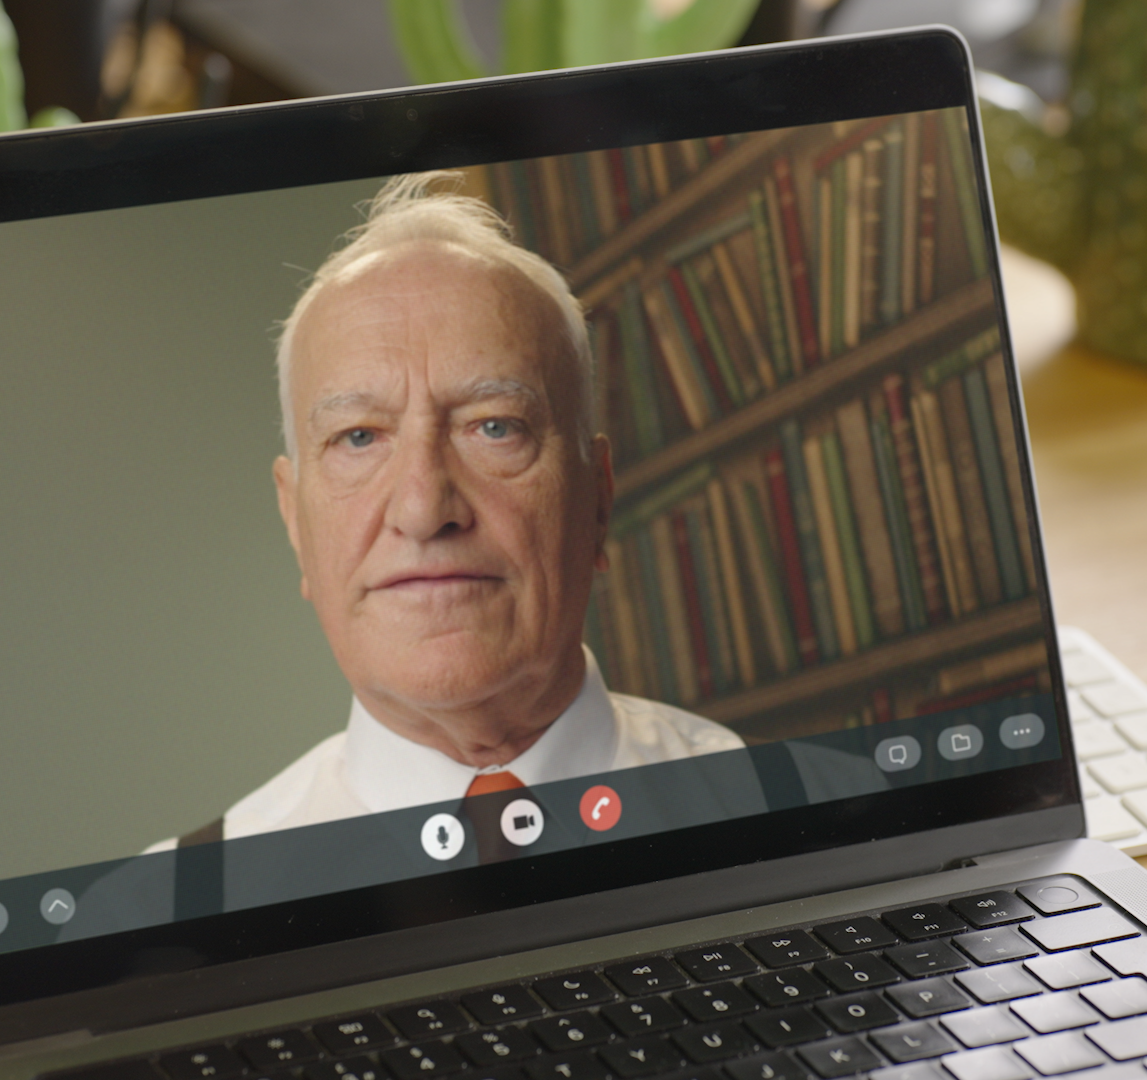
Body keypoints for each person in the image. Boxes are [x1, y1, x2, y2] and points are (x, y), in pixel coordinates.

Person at [177, 173, 743, 849]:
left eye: (495, 427)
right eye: (358, 436)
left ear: (597, 500)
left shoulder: (823, 813)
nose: (423, 508)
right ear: (295, 524)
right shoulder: (162, 919)